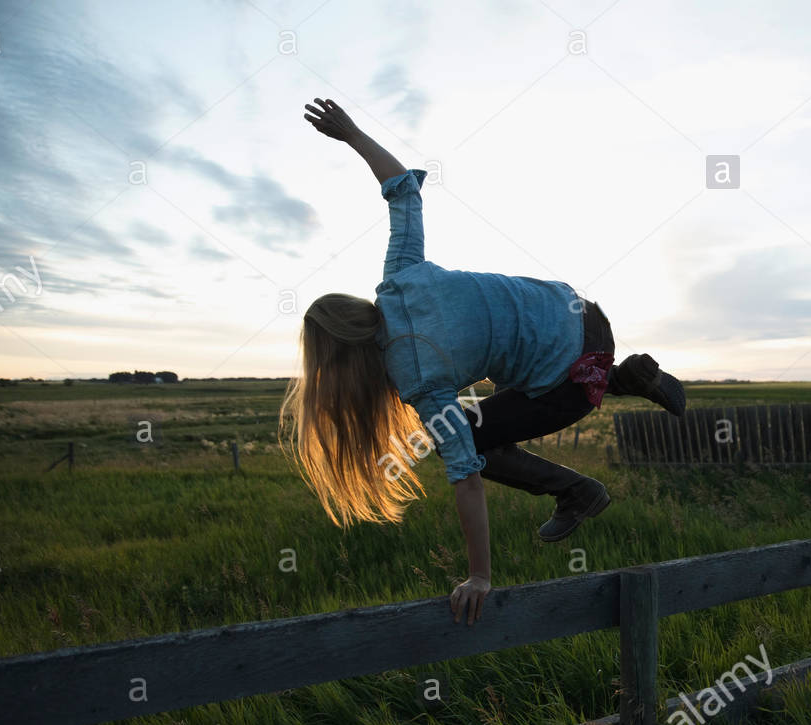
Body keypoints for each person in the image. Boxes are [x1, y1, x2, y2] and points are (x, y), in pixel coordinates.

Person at [280, 98, 685, 626]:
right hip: (581, 312)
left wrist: (480, 576)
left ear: (340, 365)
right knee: (499, 396)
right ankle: (625, 376)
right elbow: (402, 188)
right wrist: (351, 132)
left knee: (474, 439)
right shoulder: (399, 278)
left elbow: (466, 476)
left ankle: (578, 489)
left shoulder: (419, 380)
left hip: (568, 374)